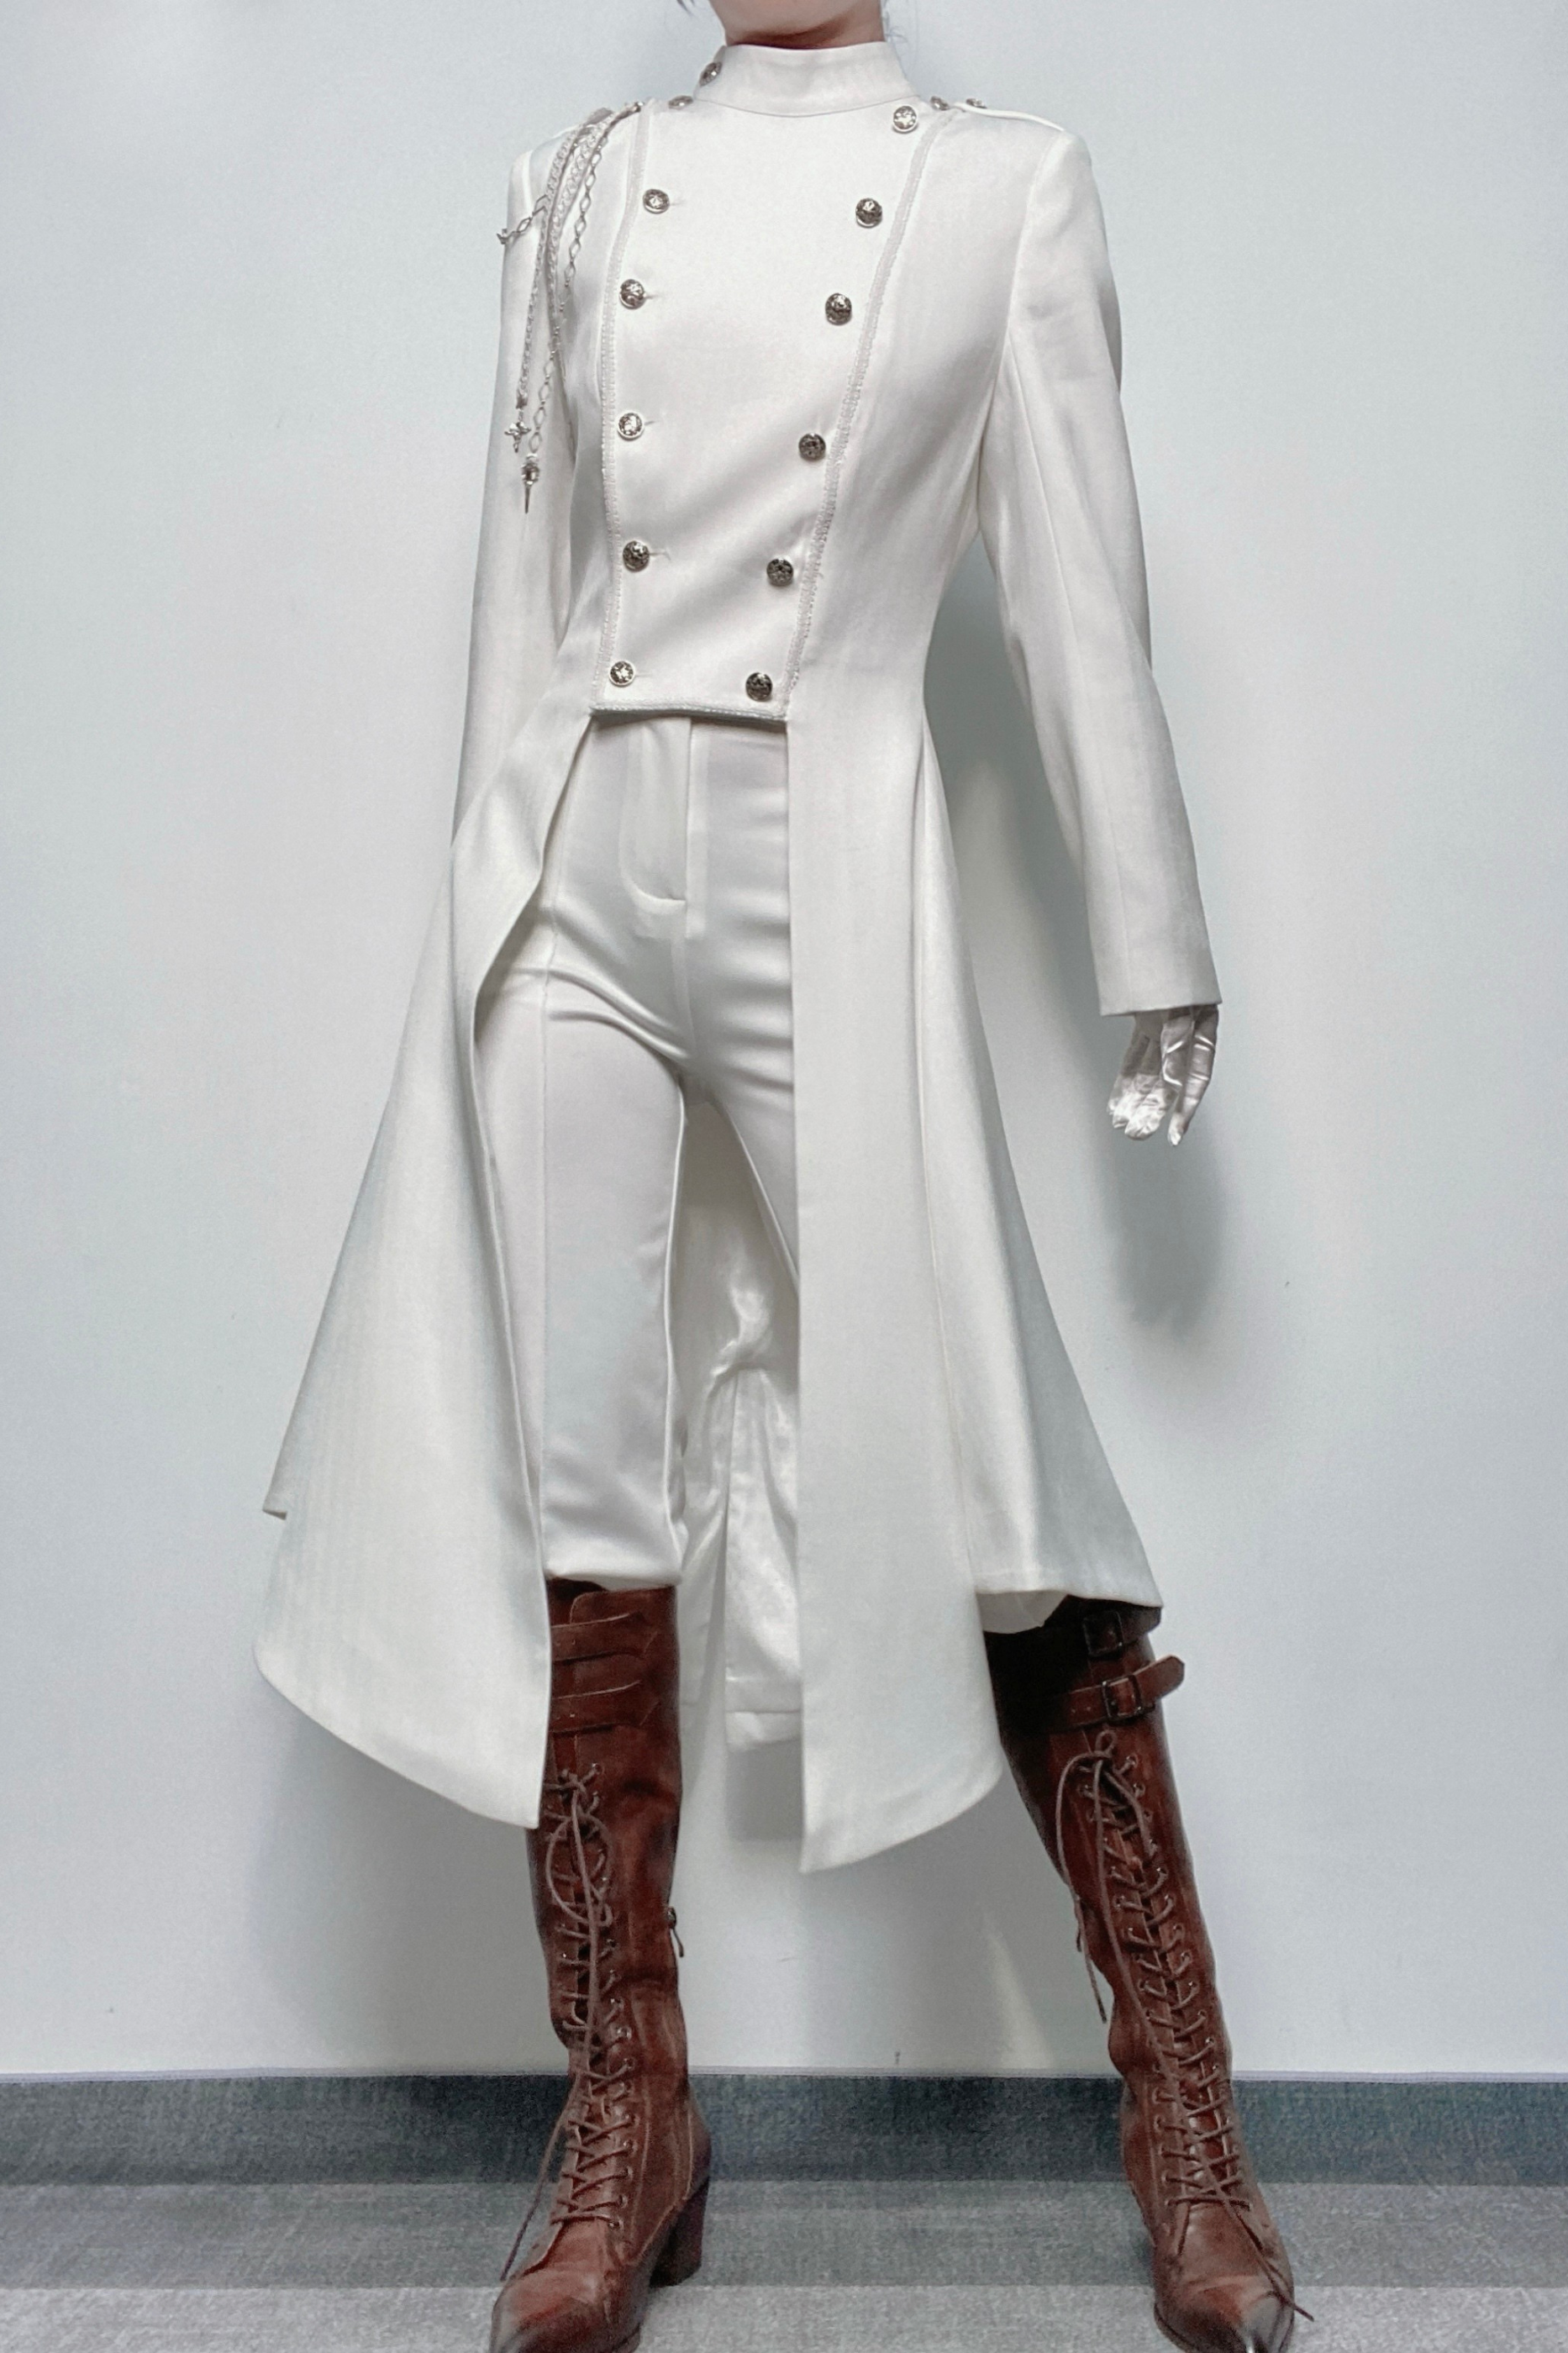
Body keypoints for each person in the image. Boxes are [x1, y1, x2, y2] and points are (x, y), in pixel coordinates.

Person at [255, 3, 1297, 2347]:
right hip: (569, 873)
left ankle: (1185, 2116)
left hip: (833, 852)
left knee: (987, 1465)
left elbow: (1078, 589)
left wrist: (1153, 938)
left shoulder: (1002, 183)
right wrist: (477, 901)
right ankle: (628, 2112)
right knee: (576, 1476)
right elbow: (529, 586)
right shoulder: (580, 174)